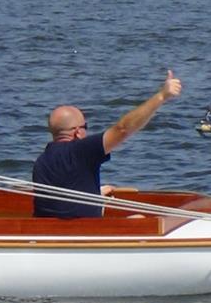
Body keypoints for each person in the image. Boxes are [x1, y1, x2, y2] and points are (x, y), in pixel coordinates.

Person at [32, 70, 182, 218]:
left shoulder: (41, 162)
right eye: (85, 127)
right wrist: (161, 96)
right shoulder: (81, 150)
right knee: (138, 220)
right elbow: (123, 129)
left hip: (52, 233)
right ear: (77, 132)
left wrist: (95, 193)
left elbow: (64, 202)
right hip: (84, 234)